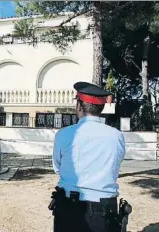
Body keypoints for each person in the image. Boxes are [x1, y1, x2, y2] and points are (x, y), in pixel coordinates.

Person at [50, 81, 130, 232]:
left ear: (79, 106)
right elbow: (116, 165)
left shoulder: (63, 134)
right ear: (101, 108)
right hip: (104, 212)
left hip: (69, 209)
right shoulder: (117, 136)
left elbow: (57, 167)